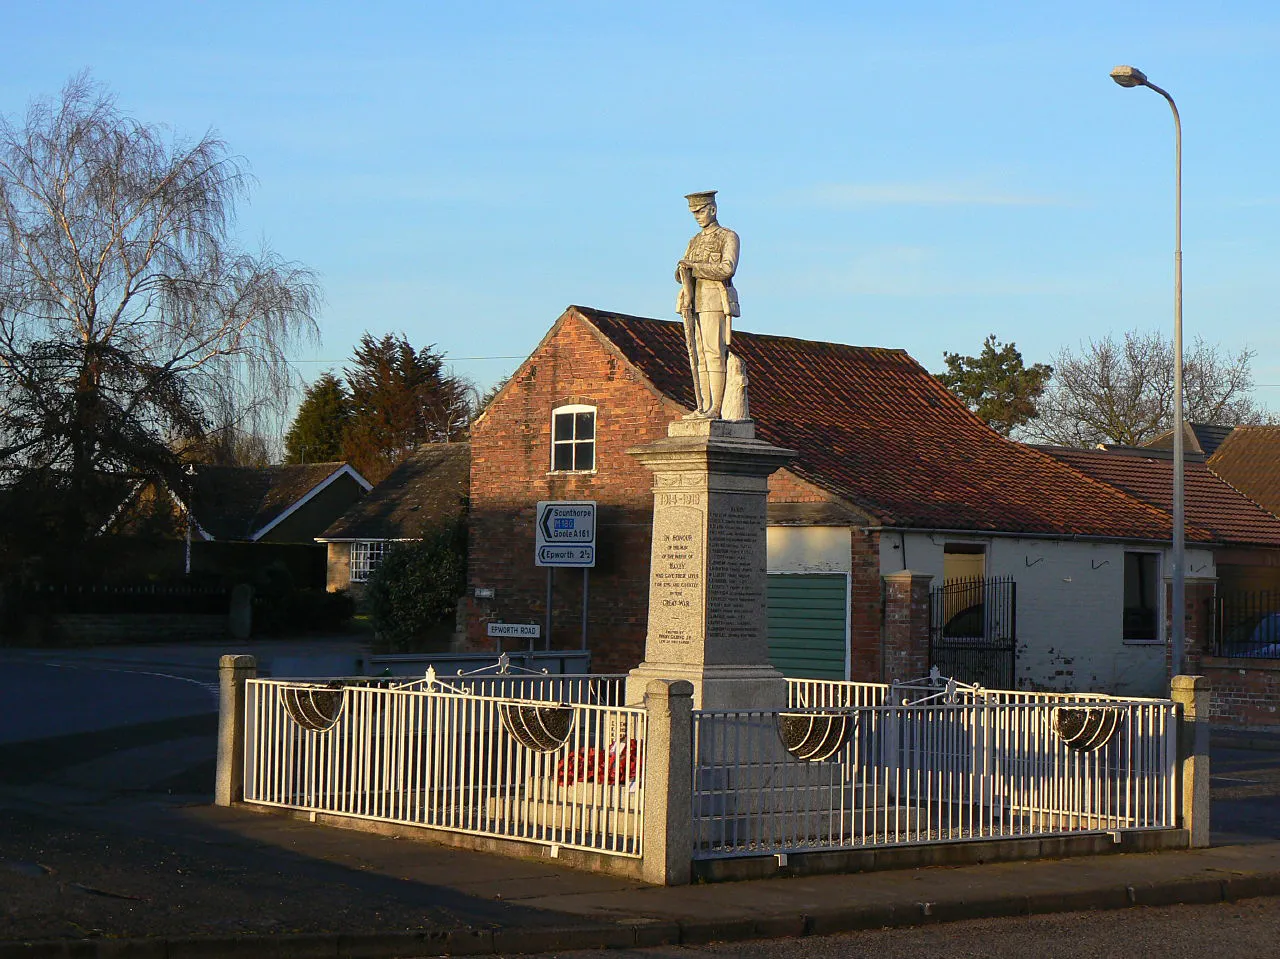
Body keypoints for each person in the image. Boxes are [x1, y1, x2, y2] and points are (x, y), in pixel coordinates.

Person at [676, 190, 740, 419]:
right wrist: (683, 269)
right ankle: (703, 405)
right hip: (694, 301)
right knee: (699, 355)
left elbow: (727, 268)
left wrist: (694, 267)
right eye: (694, 213)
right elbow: (681, 272)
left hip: (715, 298)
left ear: (713, 209)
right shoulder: (694, 241)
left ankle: (716, 408)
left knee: (714, 352)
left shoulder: (727, 237)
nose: (698, 217)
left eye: (701, 211)